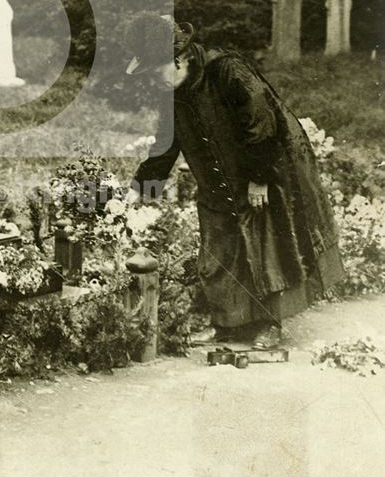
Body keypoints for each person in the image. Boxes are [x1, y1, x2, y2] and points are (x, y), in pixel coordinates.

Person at [128, 22, 345, 349]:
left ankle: (269, 324)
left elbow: (261, 123)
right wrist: (139, 188)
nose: (151, 79)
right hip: (216, 178)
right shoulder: (171, 92)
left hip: (259, 170)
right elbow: (165, 144)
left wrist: (259, 178)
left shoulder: (228, 70)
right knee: (219, 248)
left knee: (263, 246)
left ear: (178, 59)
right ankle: (226, 325)